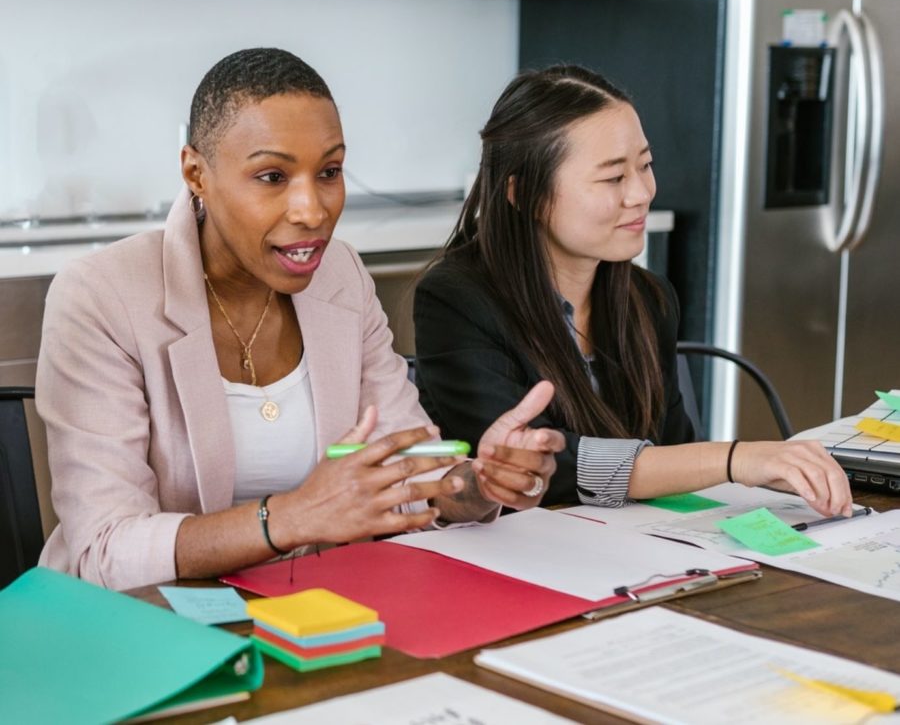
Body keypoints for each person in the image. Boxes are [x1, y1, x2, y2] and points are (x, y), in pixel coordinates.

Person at [36, 48, 563, 591]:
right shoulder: (102, 295)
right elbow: (105, 550)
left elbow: (410, 471)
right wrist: (289, 518)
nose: (312, 210)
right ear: (196, 173)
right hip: (149, 625)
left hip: (313, 609)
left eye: (330, 171)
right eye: (272, 176)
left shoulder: (341, 277)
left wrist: (478, 484)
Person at [413, 64, 852, 515]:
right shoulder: (456, 300)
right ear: (524, 195)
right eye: (613, 177)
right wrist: (737, 459)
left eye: (645, 165)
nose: (642, 193)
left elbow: (674, 456)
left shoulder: (649, 299)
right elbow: (542, 472)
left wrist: (765, 472)